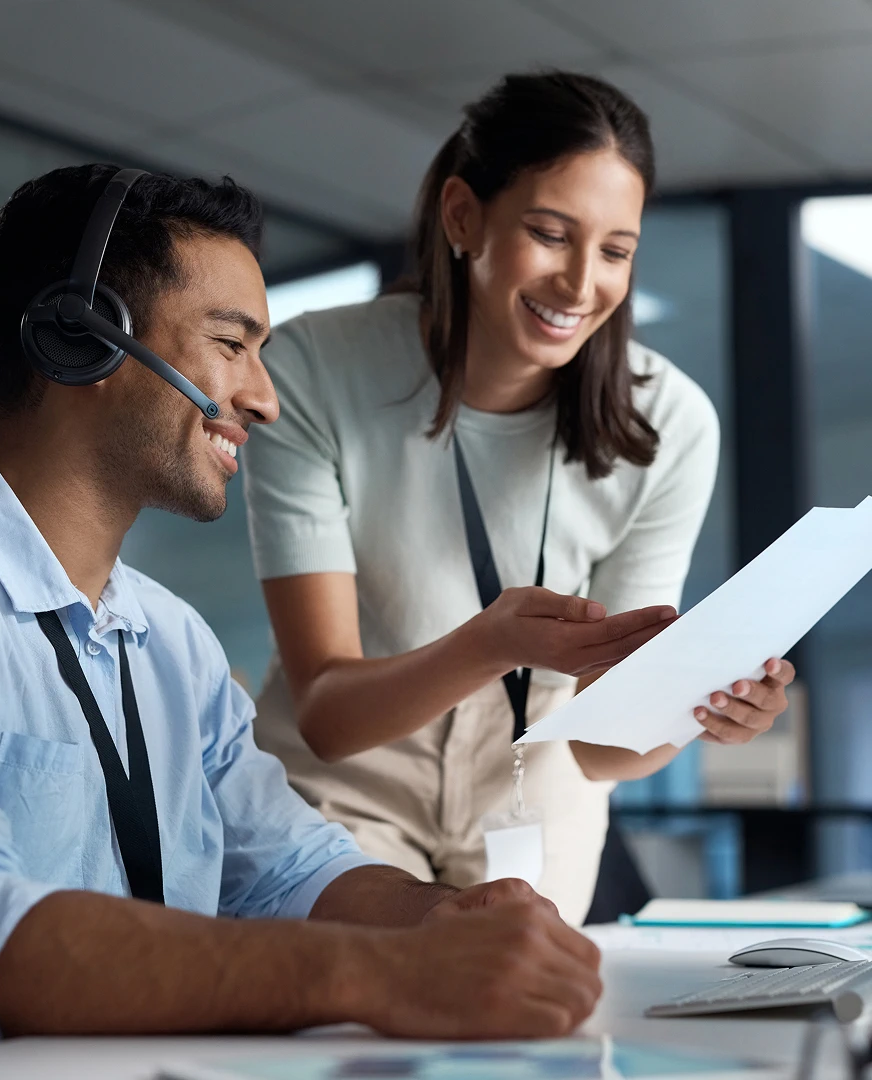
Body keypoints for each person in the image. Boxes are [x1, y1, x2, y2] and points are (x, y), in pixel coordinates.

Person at [0, 165, 604, 1074]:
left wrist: (449, 917)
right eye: (231, 344)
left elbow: (292, 871)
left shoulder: (169, 641)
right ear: (79, 340)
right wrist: (378, 971)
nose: (264, 398)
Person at [242, 72, 795, 927]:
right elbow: (327, 717)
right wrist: (490, 645)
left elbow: (607, 748)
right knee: (350, 1020)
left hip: (532, 803)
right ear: (463, 217)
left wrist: (701, 710)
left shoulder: (670, 421)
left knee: (522, 1037)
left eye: (616, 250)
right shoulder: (313, 372)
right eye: (550, 233)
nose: (580, 284)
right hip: (342, 790)